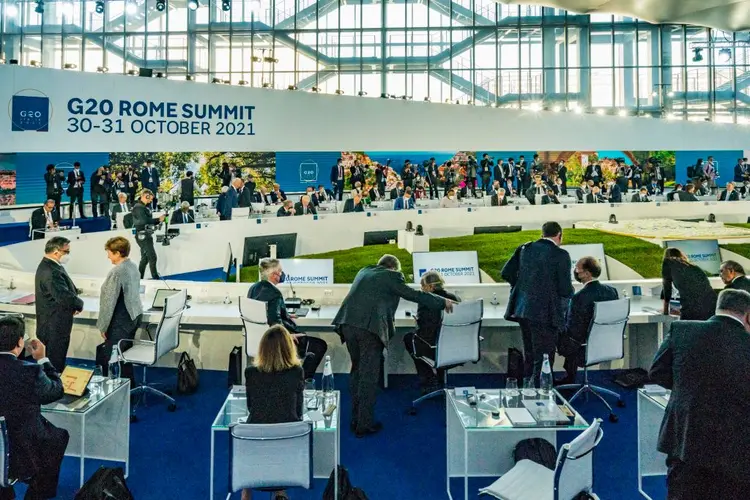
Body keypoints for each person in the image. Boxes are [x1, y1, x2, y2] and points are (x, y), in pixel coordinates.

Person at [333, 255, 453, 437]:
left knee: (357, 370)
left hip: (347, 324)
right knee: (369, 376)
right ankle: (363, 425)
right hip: (369, 329)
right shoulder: (391, 276)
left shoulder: (364, 271)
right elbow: (414, 295)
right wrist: (442, 302)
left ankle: (355, 417)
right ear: (394, 269)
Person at [649, 289, 750, 500]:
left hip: (684, 437)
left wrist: (688, 389)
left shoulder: (681, 330)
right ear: (748, 316)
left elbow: (657, 373)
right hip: (735, 447)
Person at [0, 317, 69, 500]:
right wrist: (43, 359)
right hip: (21, 447)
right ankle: (37, 495)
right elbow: (55, 391)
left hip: (4, 443)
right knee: (58, 437)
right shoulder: (29, 372)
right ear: (20, 341)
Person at [502, 222, 574, 382]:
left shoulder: (524, 249)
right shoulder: (561, 255)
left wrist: (523, 287)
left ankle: (528, 391)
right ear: (559, 235)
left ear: (542, 234)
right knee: (544, 358)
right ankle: (541, 395)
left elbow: (506, 273)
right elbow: (565, 289)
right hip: (546, 314)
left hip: (522, 310)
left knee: (530, 353)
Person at [242, 324, 304, 500]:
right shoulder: (296, 372)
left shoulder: (251, 373)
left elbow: (251, 407)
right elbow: (298, 413)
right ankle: (280, 491)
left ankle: (246, 490)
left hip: (256, 442)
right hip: (287, 442)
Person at [248, 259, 327, 379]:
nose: (282, 274)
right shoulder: (275, 294)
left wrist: (285, 314)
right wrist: (288, 336)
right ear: (274, 275)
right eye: (280, 271)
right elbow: (275, 323)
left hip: (261, 340)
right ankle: (301, 381)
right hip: (278, 341)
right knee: (319, 346)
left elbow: (267, 314)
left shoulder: (253, 288)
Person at [557, 257, 618, 384]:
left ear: (587, 274)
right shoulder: (612, 292)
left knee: (559, 335)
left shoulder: (578, 297)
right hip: (606, 344)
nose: (576, 272)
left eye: (578, 270)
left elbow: (573, 328)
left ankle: (566, 378)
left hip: (583, 347)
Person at [403, 271, 460, 393]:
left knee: (409, 339)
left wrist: (417, 321)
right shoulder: (455, 298)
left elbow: (425, 329)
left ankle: (428, 379)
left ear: (430, 287)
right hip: (455, 348)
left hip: (433, 348)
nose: (422, 290)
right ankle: (439, 377)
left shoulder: (426, 301)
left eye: (423, 287)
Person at [96, 237, 142, 387]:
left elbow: (108, 302)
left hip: (120, 322)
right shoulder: (132, 266)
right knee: (124, 357)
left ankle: (117, 393)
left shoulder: (117, 272)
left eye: (109, 253)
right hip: (133, 317)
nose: (108, 256)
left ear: (117, 253)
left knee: (113, 359)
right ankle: (130, 387)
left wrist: (102, 326)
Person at [34, 236, 84, 371]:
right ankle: (53, 389)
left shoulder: (51, 265)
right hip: (54, 325)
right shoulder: (51, 271)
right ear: (56, 252)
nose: (68, 255)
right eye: (66, 252)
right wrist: (78, 304)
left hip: (55, 323)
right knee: (55, 362)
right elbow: (63, 296)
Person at [662, 248, 717, 320]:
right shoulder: (693, 266)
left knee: (685, 327)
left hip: (691, 307)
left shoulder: (667, 263)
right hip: (710, 304)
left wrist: (665, 311)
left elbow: (667, 289)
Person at [132, 189, 165, 279]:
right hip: (143, 236)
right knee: (152, 257)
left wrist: (157, 221)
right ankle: (155, 277)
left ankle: (139, 278)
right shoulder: (138, 207)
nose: (151, 201)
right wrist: (158, 220)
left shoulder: (142, 207)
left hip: (145, 235)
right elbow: (144, 221)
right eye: (150, 198)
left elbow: (147, 221)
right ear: (145, 195)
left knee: (145, 259)